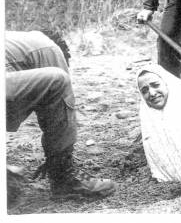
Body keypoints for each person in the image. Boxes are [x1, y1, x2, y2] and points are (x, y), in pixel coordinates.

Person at [5, 30, 116, 199]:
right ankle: (64, 177)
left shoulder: (17, 43)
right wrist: (56, 160)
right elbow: (63, 103)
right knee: (59, 80)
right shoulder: (49, 47)